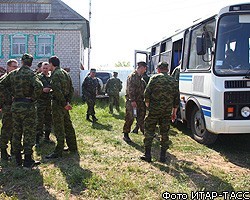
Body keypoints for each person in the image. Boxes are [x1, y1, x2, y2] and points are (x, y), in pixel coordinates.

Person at [0, 53, 43, 167]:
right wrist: (33, 98)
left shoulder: (14, 73)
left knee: (16, 132)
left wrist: (10, 96)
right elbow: (39, 87)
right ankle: (28, 160)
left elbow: (1, 84)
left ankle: (17, 158)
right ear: (31, 63)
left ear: (22, 62)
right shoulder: (31, 74)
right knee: (28, 132)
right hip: (28, 106)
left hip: (15, 105)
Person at [141, 61, 179, 163]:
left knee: (149, 131)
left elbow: (146, 94)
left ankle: (147, 155)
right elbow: (176, 99)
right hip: (166, 112)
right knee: (164, 133)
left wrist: (149, 107)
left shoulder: (154, 78)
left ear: (158, 69)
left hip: (154, 110)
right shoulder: (173, 80)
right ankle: (163, 157)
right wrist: (174, 112)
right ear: (167, 69)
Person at [45, 56, 78, 159]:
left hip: (58, 104)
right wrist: (68, 102)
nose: (48, 66)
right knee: (68, 125)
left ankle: (58, 151)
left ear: (51, 64)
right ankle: (73, 147)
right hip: (64, 104)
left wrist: (64, 103)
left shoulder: (55, 75)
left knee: (59, 127)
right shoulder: (65, 73)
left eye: (48, 64)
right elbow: (71, 89)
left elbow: (57, 91)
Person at [123, 61, 147, 142]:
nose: (145, 70)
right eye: (145, 68)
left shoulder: (140, 77)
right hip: (132, 102)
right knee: (130, 118)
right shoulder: (133, 76)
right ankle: (125, 134)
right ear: (141, 67)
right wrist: (132, 101)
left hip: (140, 101)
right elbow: (130, 89)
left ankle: (146, 133)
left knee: (141, 117)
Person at [0, 59, 18, 160]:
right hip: (7, 107)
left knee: (15, 129)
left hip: (15, 107)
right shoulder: (4, 78)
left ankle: (14, 150)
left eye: (16, 67)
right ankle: (3, 151)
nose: (16, 69)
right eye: (14, 67)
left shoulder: (15, 78)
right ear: (8, 67)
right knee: (6, 129)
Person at [35, 62, 52, 147]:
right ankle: (37, 140)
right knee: (39, 121)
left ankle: (47, 138)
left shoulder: (51, 77)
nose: (45, 70)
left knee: (48, 119)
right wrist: (42, 90)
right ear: (41, 68)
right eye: (44, 68)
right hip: (40, 102)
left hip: (49, 102)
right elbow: (34, 89)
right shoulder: (38, 77)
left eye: (47, 68)